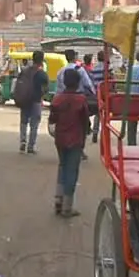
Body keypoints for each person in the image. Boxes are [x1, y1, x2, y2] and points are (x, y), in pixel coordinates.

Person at [48, 68, 90, 217]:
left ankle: (58, 200)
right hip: (75, 139)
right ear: (78, 82)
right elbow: (85, 122)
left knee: (62, 167)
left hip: (60, 139)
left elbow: (52, 120)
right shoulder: (81, 100)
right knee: (72, 171)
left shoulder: (57, 99)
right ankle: (67, 207)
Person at [15, 50, 50, 154]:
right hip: (36, 101)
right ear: (42, 60)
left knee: (23, 122)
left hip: (24, 100)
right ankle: (31, 146)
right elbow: (46, 89)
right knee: (34, 124)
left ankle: (22, 142)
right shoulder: (42, 74)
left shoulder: (24, 71)